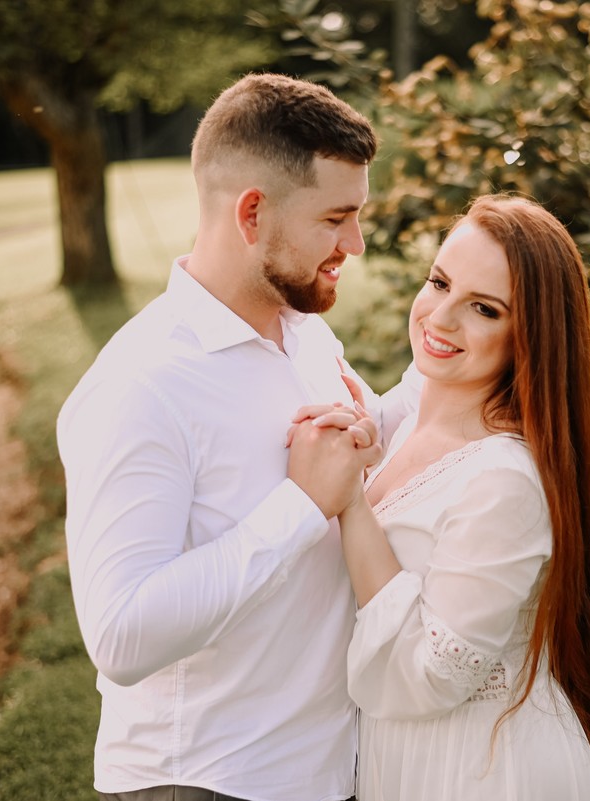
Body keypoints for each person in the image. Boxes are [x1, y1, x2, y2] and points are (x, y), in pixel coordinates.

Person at [57, 72, 413, 801]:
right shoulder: (139, 384)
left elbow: (372, 442)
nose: (355, 243)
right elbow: (121, 635)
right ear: (252, 214)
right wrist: (301, 508)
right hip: (208, 781)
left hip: (328, 768)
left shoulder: (303, 331)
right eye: (336, 218)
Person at [289, 194, 590, 799]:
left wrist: (351, 505)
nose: (440, 318)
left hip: (477, 770)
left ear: (530, 336)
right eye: (440, 282)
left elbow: (434, 674)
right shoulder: (417, 412)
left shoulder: (504, 479)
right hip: (405, 758)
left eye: (484, 308)